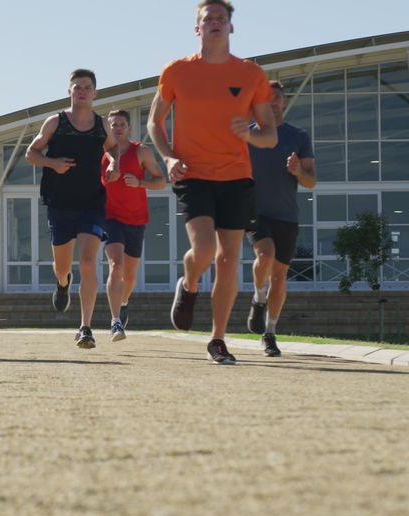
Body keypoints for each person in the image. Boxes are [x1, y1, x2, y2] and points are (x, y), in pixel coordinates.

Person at [146, 0, 277, 364]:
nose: (216, 23)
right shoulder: (176, 72)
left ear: (231, 28)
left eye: (222, 19)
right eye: (208, 19)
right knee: (203, 251)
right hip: (192, 173)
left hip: (236, 177)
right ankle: (188, 286)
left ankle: (217, 339)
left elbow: (270, 136)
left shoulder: (251, 75)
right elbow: (154, 122)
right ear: (197, 28)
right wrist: (169, 157)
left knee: (227, 261)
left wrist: (250, 135)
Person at [26, 69, 118, 349]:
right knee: (63, 266)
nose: (81, 91)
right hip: (60, 203)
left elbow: (113, 150)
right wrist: (53, 164)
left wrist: (113, 163)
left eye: (87, 87)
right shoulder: (56, 122)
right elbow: (31, 154)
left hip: (92, 203)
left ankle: (85, 327)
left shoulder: (102, 124)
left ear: (95, 93)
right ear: (69, 91)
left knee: (89, 262)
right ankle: (63, 283)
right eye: (77, 86)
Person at [246, 80, 317, 356]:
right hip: (254, 211)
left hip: (286, 214)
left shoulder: (298, 136)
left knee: (280, 277)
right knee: (265, 255)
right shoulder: (247, 136)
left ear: (284, 102)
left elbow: (311, 181)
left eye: (277, 97)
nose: (272, 101)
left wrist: (299, 171)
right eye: (266, 97)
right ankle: (258, 297)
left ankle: (270, 333)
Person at [100, 109, 166, 341]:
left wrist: (139, 182)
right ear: (107, 129)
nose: (117, 128)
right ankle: (115, 321)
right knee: (116, 266)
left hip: (136, 219)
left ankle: (124, 301)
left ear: (129, 128)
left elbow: (160, 182)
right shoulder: (100, 153)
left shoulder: (141, 151)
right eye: (113, 125)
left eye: (121, 124)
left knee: (129, 277)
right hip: (109, 217)